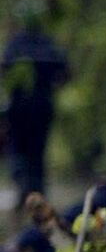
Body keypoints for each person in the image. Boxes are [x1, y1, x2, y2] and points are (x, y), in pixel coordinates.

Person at [2, 14, 68, 204]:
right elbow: (65, 74)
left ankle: (26, 189)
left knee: (17, 151)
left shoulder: (13, 46)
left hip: (18, 109)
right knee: (37, 153)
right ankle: (35, 192)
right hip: (42, 107)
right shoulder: (49, 45)